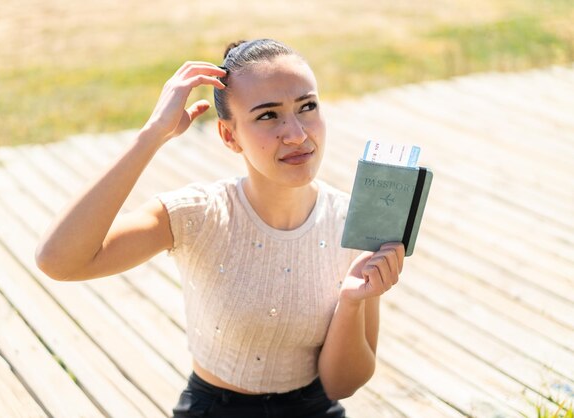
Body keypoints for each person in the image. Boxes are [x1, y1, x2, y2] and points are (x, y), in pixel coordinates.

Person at [35, 38, 404, 418]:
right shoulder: (199, 214)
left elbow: (342, 385)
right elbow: (59, 261)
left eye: (307, 107)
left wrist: (352, 301)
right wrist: (152, 135)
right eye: (267, 116)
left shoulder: (355, 222)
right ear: (229, 136)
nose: (296, 134)